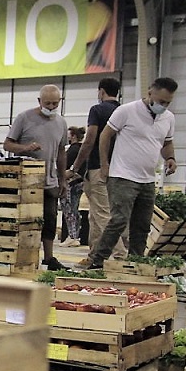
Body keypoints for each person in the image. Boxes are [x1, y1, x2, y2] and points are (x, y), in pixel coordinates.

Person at [84, 77, 180, 269]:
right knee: (119, 220)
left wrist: (171, 158)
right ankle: (97, 260)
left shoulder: (168, 118)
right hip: (122, 175)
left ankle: (136, 263)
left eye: (167, 102)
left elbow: (167, 143)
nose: (164, 105)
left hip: (147, 179)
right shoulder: (126, 111)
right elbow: (105, 135)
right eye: (161, 101)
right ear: (150, 93)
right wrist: (105, 164)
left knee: (142, 225)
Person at [4, 84, 68, 271]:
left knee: (49, 218)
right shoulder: (24, 118)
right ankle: (23, 258)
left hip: (50, 181)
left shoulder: (61, 123)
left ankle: (49, 257)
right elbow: (8, 144)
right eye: (47, 103)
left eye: (55, 103)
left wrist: (62, 178)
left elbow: (61, 151)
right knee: (26, 220)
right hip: (27, 181)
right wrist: (25, 148)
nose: (51, 107)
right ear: (39, 101)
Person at [69, 77, 126, 265]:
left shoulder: (97, 110)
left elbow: (90, 139)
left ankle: (119, 256)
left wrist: (75, 167)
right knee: (94, 214)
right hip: (119, 170)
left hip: (98, 168)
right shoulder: (123, 111)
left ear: (101, 91)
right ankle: (94, 255)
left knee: (103, 215)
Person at [60, 126, 87, 248]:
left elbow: (64, 165)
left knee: (69, 210)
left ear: (73, 136)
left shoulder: (72, 150)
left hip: (71, 182)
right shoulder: (82, 149)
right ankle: (75, 235)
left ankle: (72, 236)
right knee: (74, 210)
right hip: (81, 181)